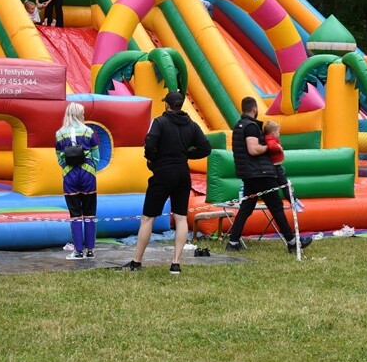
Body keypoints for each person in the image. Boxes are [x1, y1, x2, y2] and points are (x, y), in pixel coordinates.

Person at [123, 91, 211, 274]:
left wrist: (153, 160)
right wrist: (187, 154)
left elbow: (150, 145)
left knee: (148, 218)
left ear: (167, 105)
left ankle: (136, 261)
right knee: (180, 218)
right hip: (182, 173)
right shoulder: (192, 125)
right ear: (181, 105)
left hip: (163, 173)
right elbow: (205, 148)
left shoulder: (160, 122)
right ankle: (176, 263)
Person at [225, 97, 313, 254]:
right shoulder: (251, 126)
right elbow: (253, 149)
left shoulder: (238, 126)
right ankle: (292, 242)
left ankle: (232, 242)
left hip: (248, 173)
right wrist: (269, 147)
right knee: (276, 207)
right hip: (260, 173)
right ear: (254, 109)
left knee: (246, 208)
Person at [55, 102, 100, 259]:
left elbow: (59, 158)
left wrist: (67, 168)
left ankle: (78, 251)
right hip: (88, 174)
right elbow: (96, 155)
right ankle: (90, 250)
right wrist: (92, 168)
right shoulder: (89, 131)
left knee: (75, 213)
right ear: (79, 114)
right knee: (90, 212)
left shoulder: (59, 134)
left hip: (70, 175)